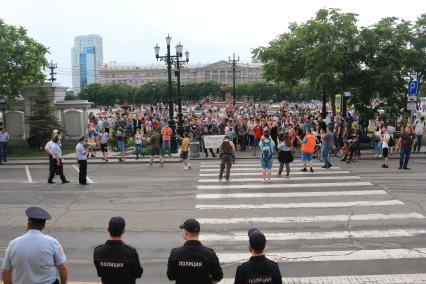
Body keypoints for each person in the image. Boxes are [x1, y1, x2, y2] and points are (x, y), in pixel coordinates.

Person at [2, 207, 68, 284]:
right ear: (43, 225)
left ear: (28, 224)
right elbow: (62, 268)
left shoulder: (13, 244)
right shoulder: (52, 242)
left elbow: (5, 272)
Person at [167, 218, 223, 284]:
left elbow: (171, 277)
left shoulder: (175, 254)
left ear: (186, 233)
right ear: (198, 233)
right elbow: (218, 277)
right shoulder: (209, 254)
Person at [93, 217, 143, 284]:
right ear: (123, 230)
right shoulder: (131, 252)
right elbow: (138, 273)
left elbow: (100, 273)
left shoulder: (98, 251)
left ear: (108, 229)